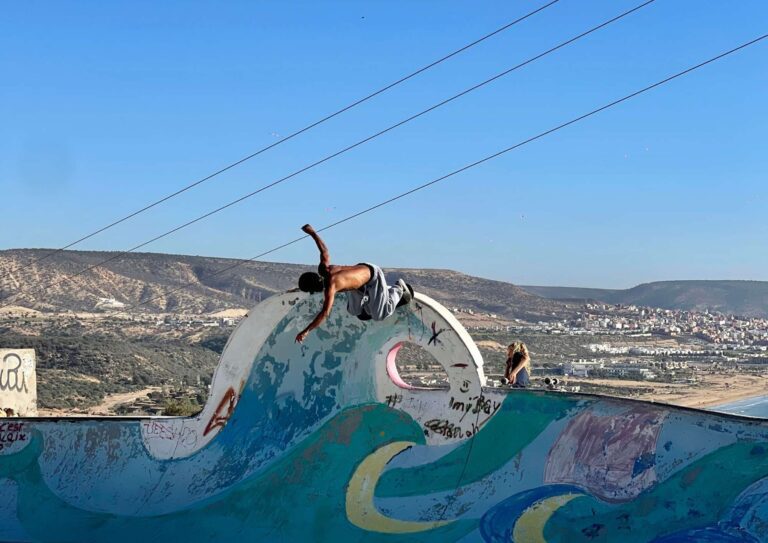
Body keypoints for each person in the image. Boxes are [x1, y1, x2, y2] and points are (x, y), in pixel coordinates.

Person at [295, 224, 412, 343]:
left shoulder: (331, 286)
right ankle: (374, 300)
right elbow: (324, 250)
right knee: (354, 311)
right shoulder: (323, 270)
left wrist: (306, 331)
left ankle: (398, 289)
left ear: (314, 287)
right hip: (358, 281)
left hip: (373, 276)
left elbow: (325, 313)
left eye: (313, 291)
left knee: (379, 315)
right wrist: (312, 233)